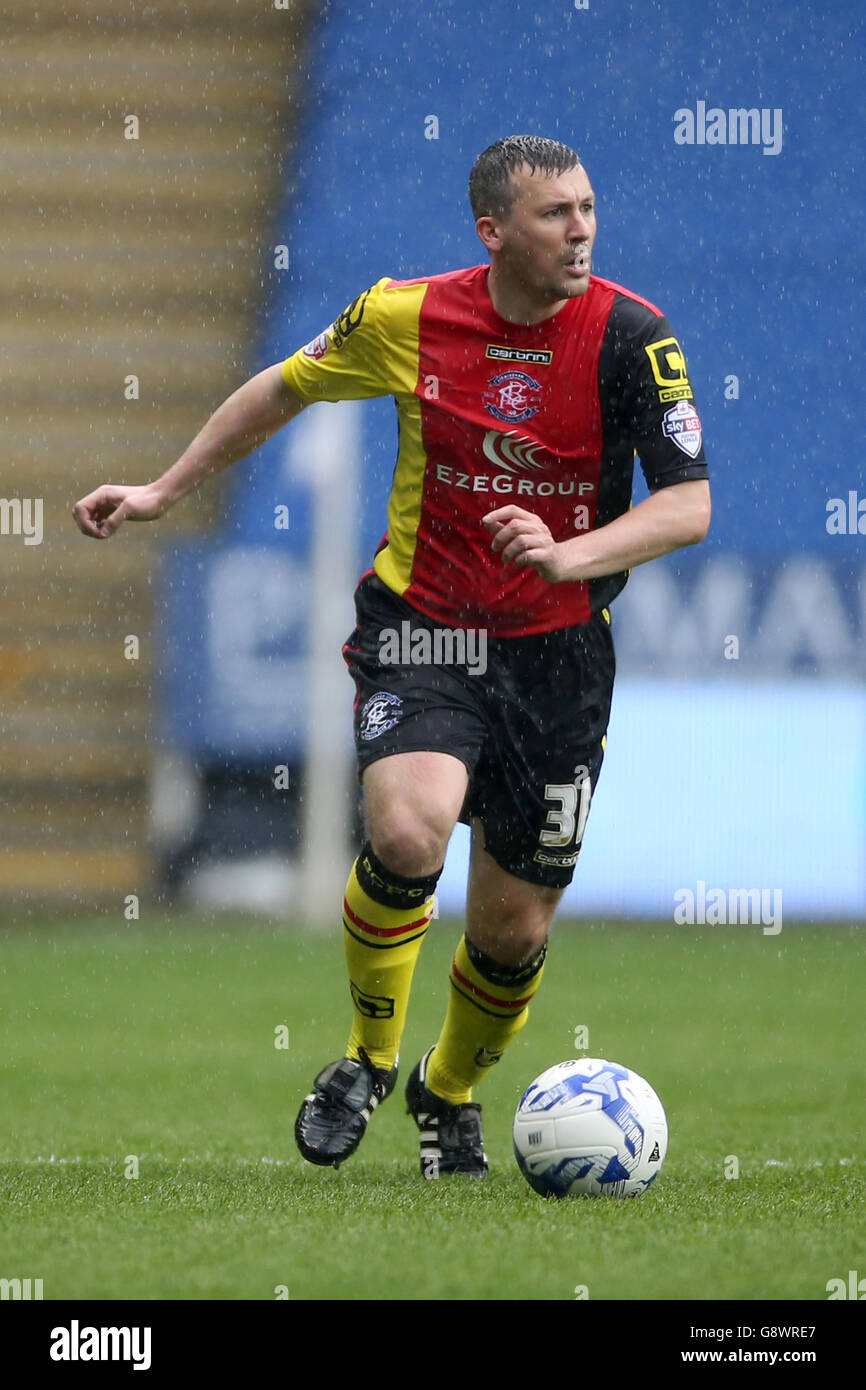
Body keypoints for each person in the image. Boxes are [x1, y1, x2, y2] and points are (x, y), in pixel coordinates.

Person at [73, 134, 711, 1180]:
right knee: (408, 829)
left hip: (557, 656)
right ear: (492, 231)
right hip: (426, 628)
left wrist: (566, 555)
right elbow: (281, 388)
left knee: (511, 927)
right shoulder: (404, 318)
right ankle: (366, 1062)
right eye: (555, 214)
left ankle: (445, 1092)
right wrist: (163, 487)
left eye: (588, 207)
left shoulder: (631, 338)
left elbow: (686, 504)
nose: (581, 229)